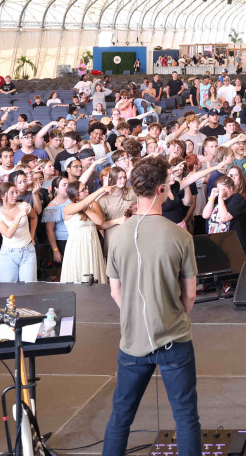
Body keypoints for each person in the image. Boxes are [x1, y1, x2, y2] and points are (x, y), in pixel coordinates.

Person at [102, 158, 199, 456]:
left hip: (132, 342)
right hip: (174, 340)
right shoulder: (180, 236)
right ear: (160, 189)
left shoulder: (118, 235)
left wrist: (133, 315)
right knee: (185, 417)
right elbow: (190, 295)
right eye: (168, 183)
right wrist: (172, 316)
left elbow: (115, 290)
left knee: (121, 416)